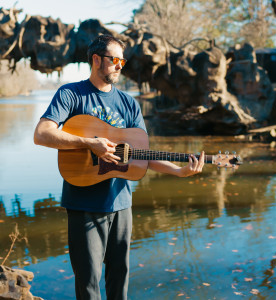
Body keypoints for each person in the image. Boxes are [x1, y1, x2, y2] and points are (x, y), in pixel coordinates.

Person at [34, 34, 205, 300]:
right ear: (96, 60)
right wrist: (88, 143)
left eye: (122, 61)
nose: (120, 66)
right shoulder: (70, 94)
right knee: (89, 282)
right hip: (83, 203)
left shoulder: (128, 103)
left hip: (121, 204)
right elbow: (42, 134)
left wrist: (180, 171)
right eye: (114, 60)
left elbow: (142, 155)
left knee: (119, 277)